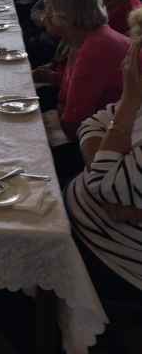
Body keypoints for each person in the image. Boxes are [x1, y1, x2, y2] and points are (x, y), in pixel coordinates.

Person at [65, 36, 142, 311]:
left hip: (114, 258)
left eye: (133, 56)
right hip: (90, 219)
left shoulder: (136, 99)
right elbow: (91, 124)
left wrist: (130, 101)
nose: (125, 64)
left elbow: (103, 187)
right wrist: (104, 167)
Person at [42, 0, 130, 143]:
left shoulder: (95, 49)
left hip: (105, 139)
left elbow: (73, 124)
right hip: (99, 128)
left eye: (48, 7)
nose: (45, 14)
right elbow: (80, 84)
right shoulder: (87, 36)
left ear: (62, 13)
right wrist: (53, 77)